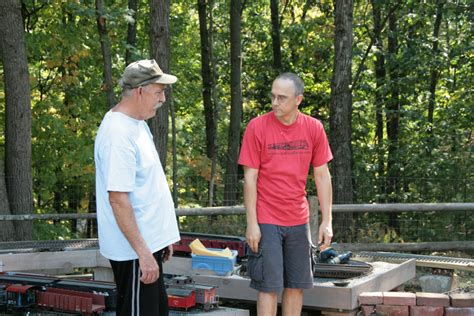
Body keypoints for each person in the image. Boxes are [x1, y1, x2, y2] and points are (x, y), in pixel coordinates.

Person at [238, 72, 334, 316]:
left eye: (282, 98)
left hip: (298, 219)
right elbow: (250, 178)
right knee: (268, 287)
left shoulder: (313, 128)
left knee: (295, 286)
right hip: (267, 218)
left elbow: (322, 176)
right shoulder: (256, 127)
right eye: (273, 96)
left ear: (298, 99)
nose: (275, 103)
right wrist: (252, 224)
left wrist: (327, 220)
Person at [94, 59, 180, 316]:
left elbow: (146, 188)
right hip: (133, 251)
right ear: (140, 91)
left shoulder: (138, 125)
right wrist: (143, 253)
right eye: (158, 92)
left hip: (146, 245)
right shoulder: (118, 135)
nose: (162, 99)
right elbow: (118, 200)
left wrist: (161, 237)